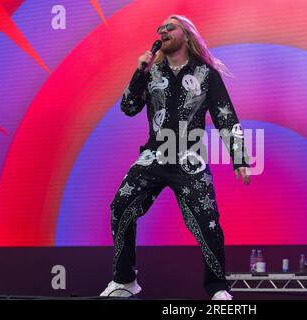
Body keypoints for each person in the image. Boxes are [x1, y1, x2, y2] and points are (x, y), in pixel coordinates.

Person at [100, 15, 250, 300]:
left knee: (208, 221)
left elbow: (225, 117)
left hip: (190, 157)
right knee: (120, 206)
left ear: (187, 35)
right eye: (160, 28)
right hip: (154, 154)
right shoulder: (152, 73)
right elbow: (128, 107)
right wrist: (139, 72)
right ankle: (125, 280)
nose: (162, 31)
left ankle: (217, 287)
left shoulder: (206, 74)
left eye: (170, 27)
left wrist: (239, 157)